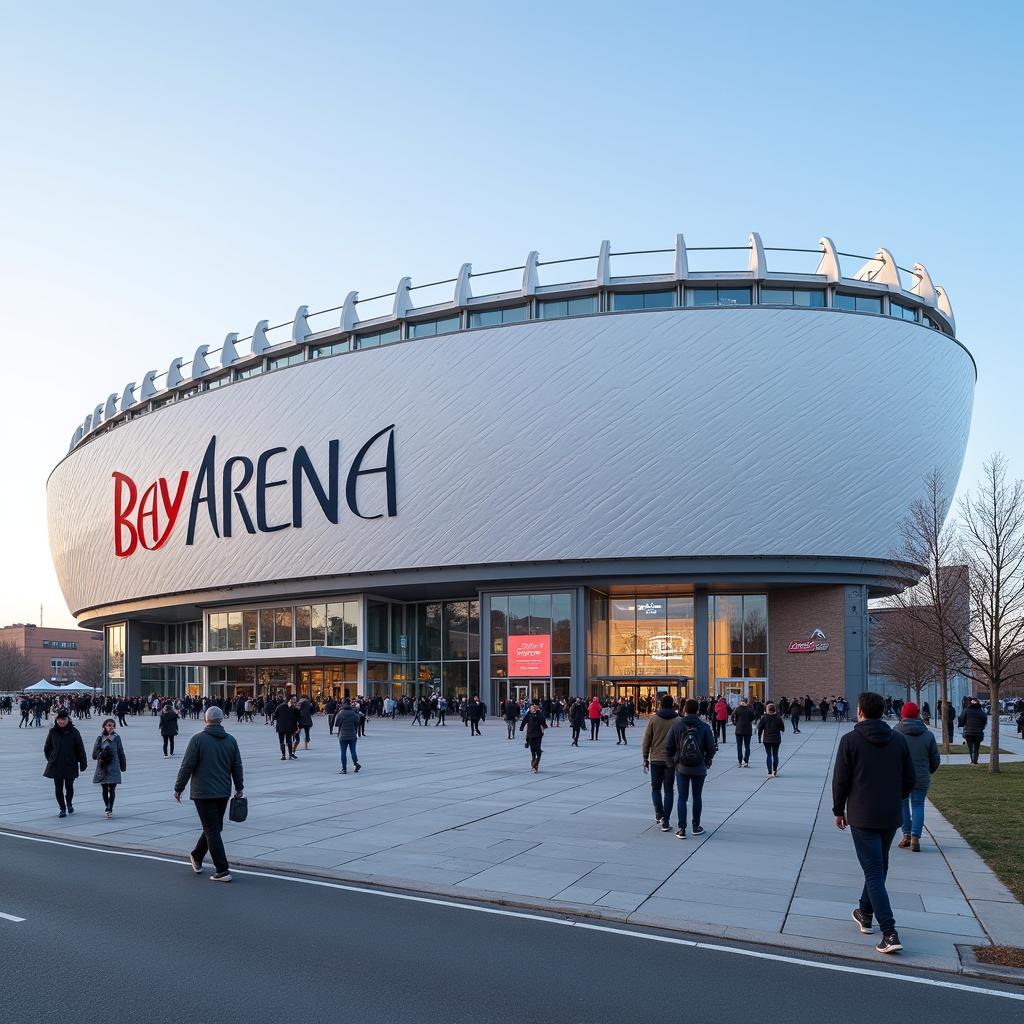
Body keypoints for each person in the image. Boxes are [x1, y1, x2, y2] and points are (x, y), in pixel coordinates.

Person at [831, 691, 916, 955]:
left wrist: (838, 809)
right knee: (880, 866)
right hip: (889, 815)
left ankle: (889, 932)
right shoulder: (898, 741)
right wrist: (895, 797)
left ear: (860, 711)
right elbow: (910, 779)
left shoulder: (850, 741)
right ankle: (864, 913)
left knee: (874, 871)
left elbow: (840, 780)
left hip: (862, 815)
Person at [173, 706, 243, 883]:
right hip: (223, 791)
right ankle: (197, 855)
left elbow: (187, 765)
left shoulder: (197, 739)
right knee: (214, 827)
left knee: (212, 829)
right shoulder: (231, 740)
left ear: (206, 719)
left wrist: (179, 787)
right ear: (221, 720)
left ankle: (222, 869)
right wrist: (239, 786)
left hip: (203, 792)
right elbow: (237, 765)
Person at [664, 698, 716, 839]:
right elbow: (712, 747)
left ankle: (681, 828)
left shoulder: (677, 726)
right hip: (699, 767)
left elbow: (668, 747)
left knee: (682, 797)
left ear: (684, 710)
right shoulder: (704, 726)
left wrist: (672, 763)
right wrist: (707, 760)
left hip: (682, 767)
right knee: (697, 796)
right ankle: (696, 826)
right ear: (698, 710)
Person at [895, 702, 940, 851]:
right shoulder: (928, 735)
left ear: (903, 714)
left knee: (903, 805)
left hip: (901, 777)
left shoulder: (895, 732)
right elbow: (935, 759)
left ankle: (906, 835)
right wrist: (928, 771)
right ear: (917, 714)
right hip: (921, 776)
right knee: (918, 805)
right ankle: (915, 838)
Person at [642, 695, 678, 831]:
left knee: (655, 788)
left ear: (661, 705)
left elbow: (647, 740)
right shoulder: (678, 720)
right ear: (673, 705)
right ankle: (666, 820)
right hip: (671, 760)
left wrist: (645, 757)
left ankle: (659, 813)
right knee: (669, 790)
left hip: (656, 758)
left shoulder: (653, 719)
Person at [43, 708, 88, 818]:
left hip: (70, 763)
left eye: (63, 719)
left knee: (69, 786)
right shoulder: (53, 731)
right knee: (58, 788)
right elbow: (47, 748)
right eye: (58, 719)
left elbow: (80, 748)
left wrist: (83, 762)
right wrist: (51, 759)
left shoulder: (74, 732)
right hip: (56, 764)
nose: (60, 721)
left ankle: (69, 803)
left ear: (68, 719)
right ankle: (62, 808)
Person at [92, 717, 127, 819]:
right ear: (104, 726)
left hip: (114, 765)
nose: (111, 727)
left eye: (112, 725)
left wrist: (123, 765)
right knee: (104, 788)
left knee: (112, 788)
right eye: (108, 725)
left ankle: (110, 808)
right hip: (103, 766)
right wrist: (102, 754)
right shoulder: (100, 738)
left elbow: (121, 751)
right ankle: (106, 806)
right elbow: (94, 755)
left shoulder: (117, 738)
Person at [757, 702, 785, 777]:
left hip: (767, 739)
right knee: (775, 755)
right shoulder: (778, 717)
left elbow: (760, 728)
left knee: (769, 755)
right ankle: (774, 770)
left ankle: (769, 771)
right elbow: (782, 728)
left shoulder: (765, 717)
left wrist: (759, 737)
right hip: (776, 739)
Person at [335, 698, 361, 774]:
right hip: (352, 735)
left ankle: (344, 769)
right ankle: (356, 764)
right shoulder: (353, 713)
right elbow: (357, 723)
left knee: (343, 752)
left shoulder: (341, 713)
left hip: (343, 735)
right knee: (353, 750)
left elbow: (337, 724)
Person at [519, 702, 547, 772]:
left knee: (538, 748)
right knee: (532, 749)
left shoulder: (539, 715)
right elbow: (524, 721)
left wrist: (538, 715)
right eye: (530, 708)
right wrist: (521, 727)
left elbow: (543, 722)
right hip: (530, 735)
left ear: (535, 709)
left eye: (531, 708)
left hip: (538, 735)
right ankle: (533, 758)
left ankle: (536, 763)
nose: (530, 709)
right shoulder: (528, 714)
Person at [959, 698, 987, 766]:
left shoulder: (966, 710)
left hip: (969, 732)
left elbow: (962, 719)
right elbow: (984, 721)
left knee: (970, 747)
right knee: (977, 747)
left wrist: (963, 725)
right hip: (978, 733)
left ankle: (972, 760)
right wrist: (981, 728)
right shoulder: (981, 712)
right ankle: (975, 761)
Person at [273, 696, 300, 761]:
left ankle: (283, 755)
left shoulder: (279, 706)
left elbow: (275, 716)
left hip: (280, 726)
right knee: (289, 740)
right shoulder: (293, 708)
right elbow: (299, 716)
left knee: (281, 741)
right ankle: (290, 754)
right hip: (289, 727)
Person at [731, 697, 753, 767]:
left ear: (741, 702)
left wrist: (735, 723)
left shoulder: (737, 709)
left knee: (739, 746)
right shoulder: (749, 710)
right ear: (747, 702)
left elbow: (732, 716)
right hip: (747, 730)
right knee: (747, 746)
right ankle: (746, 760)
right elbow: (753, 717)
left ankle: (740, 761)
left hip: (739, 730)